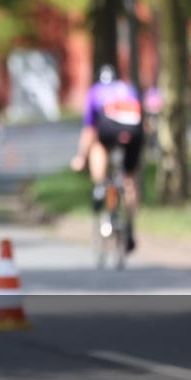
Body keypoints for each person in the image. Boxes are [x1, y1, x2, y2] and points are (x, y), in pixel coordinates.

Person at [70, 64, 144, 252]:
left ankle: (100, 185)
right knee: (130, 181)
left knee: (97, 146)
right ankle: (130, 226)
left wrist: (80, 157)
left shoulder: (95, 92)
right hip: (133, 133)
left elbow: (90, 129)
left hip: (107, 132)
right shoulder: (129, 88)